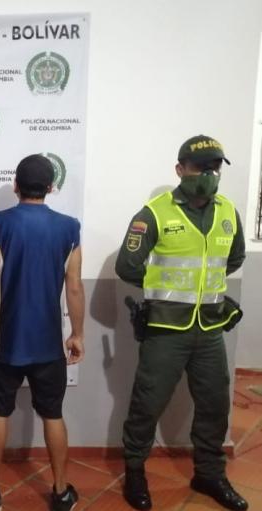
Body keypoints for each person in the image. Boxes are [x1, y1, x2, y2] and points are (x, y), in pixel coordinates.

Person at [116, 135, 247, 511]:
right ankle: (135, 472)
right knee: (147, 404)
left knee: (214, 405)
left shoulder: (228, 211)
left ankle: (209, 473)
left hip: (210, 330)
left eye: (214, 167)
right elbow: (128, 266)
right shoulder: (154, 213)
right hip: (166, 331)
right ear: (180, 169)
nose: (208, 174)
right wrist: (164, 289)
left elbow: (234, 258)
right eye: (199, 167)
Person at [0, 154, 84, 511]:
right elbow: (74, 287)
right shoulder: (70, 227)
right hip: (50, 344)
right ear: (51, 187)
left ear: (15, 186)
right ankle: (61, 491)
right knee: (53, 414)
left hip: (5, 343)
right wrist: (77, 334)